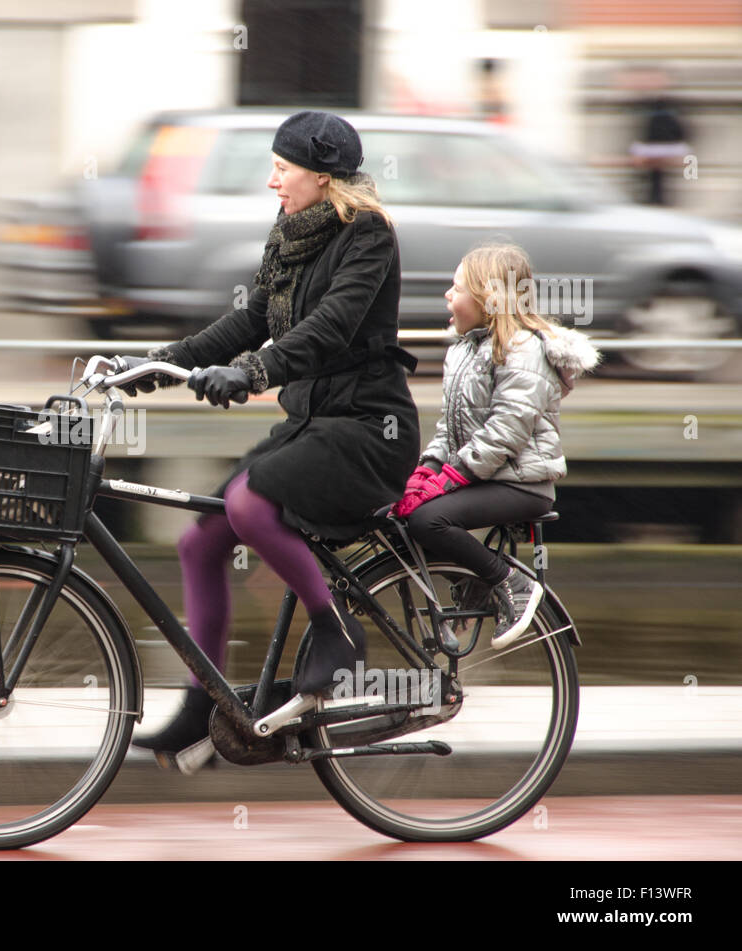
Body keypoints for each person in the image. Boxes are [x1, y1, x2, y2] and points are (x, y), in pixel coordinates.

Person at [114, 111, 421, 761]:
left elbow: (331, 328)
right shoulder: (288, 234)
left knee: (250, 503)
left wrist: (254, 371)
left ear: (320, 175)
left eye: (282, 168)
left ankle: (336, 632)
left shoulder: (369, 236)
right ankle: (207, 705)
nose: (271, 180)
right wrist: (151, 365)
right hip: (310, 423)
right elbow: (251, 319)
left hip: (367, 429)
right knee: (201, 542)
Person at [393, 243, 600, 647]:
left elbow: (506, 430)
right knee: (404, 514)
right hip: (482, 475)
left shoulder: (524, 350)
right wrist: (428, 470)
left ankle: (510, 583)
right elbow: (447, 428)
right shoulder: (463, 350)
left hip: (520, 484)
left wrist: (452, 477)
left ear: (489, 298)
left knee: (427, 521)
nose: (447, 296)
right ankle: (475, 583)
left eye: (457, 288)